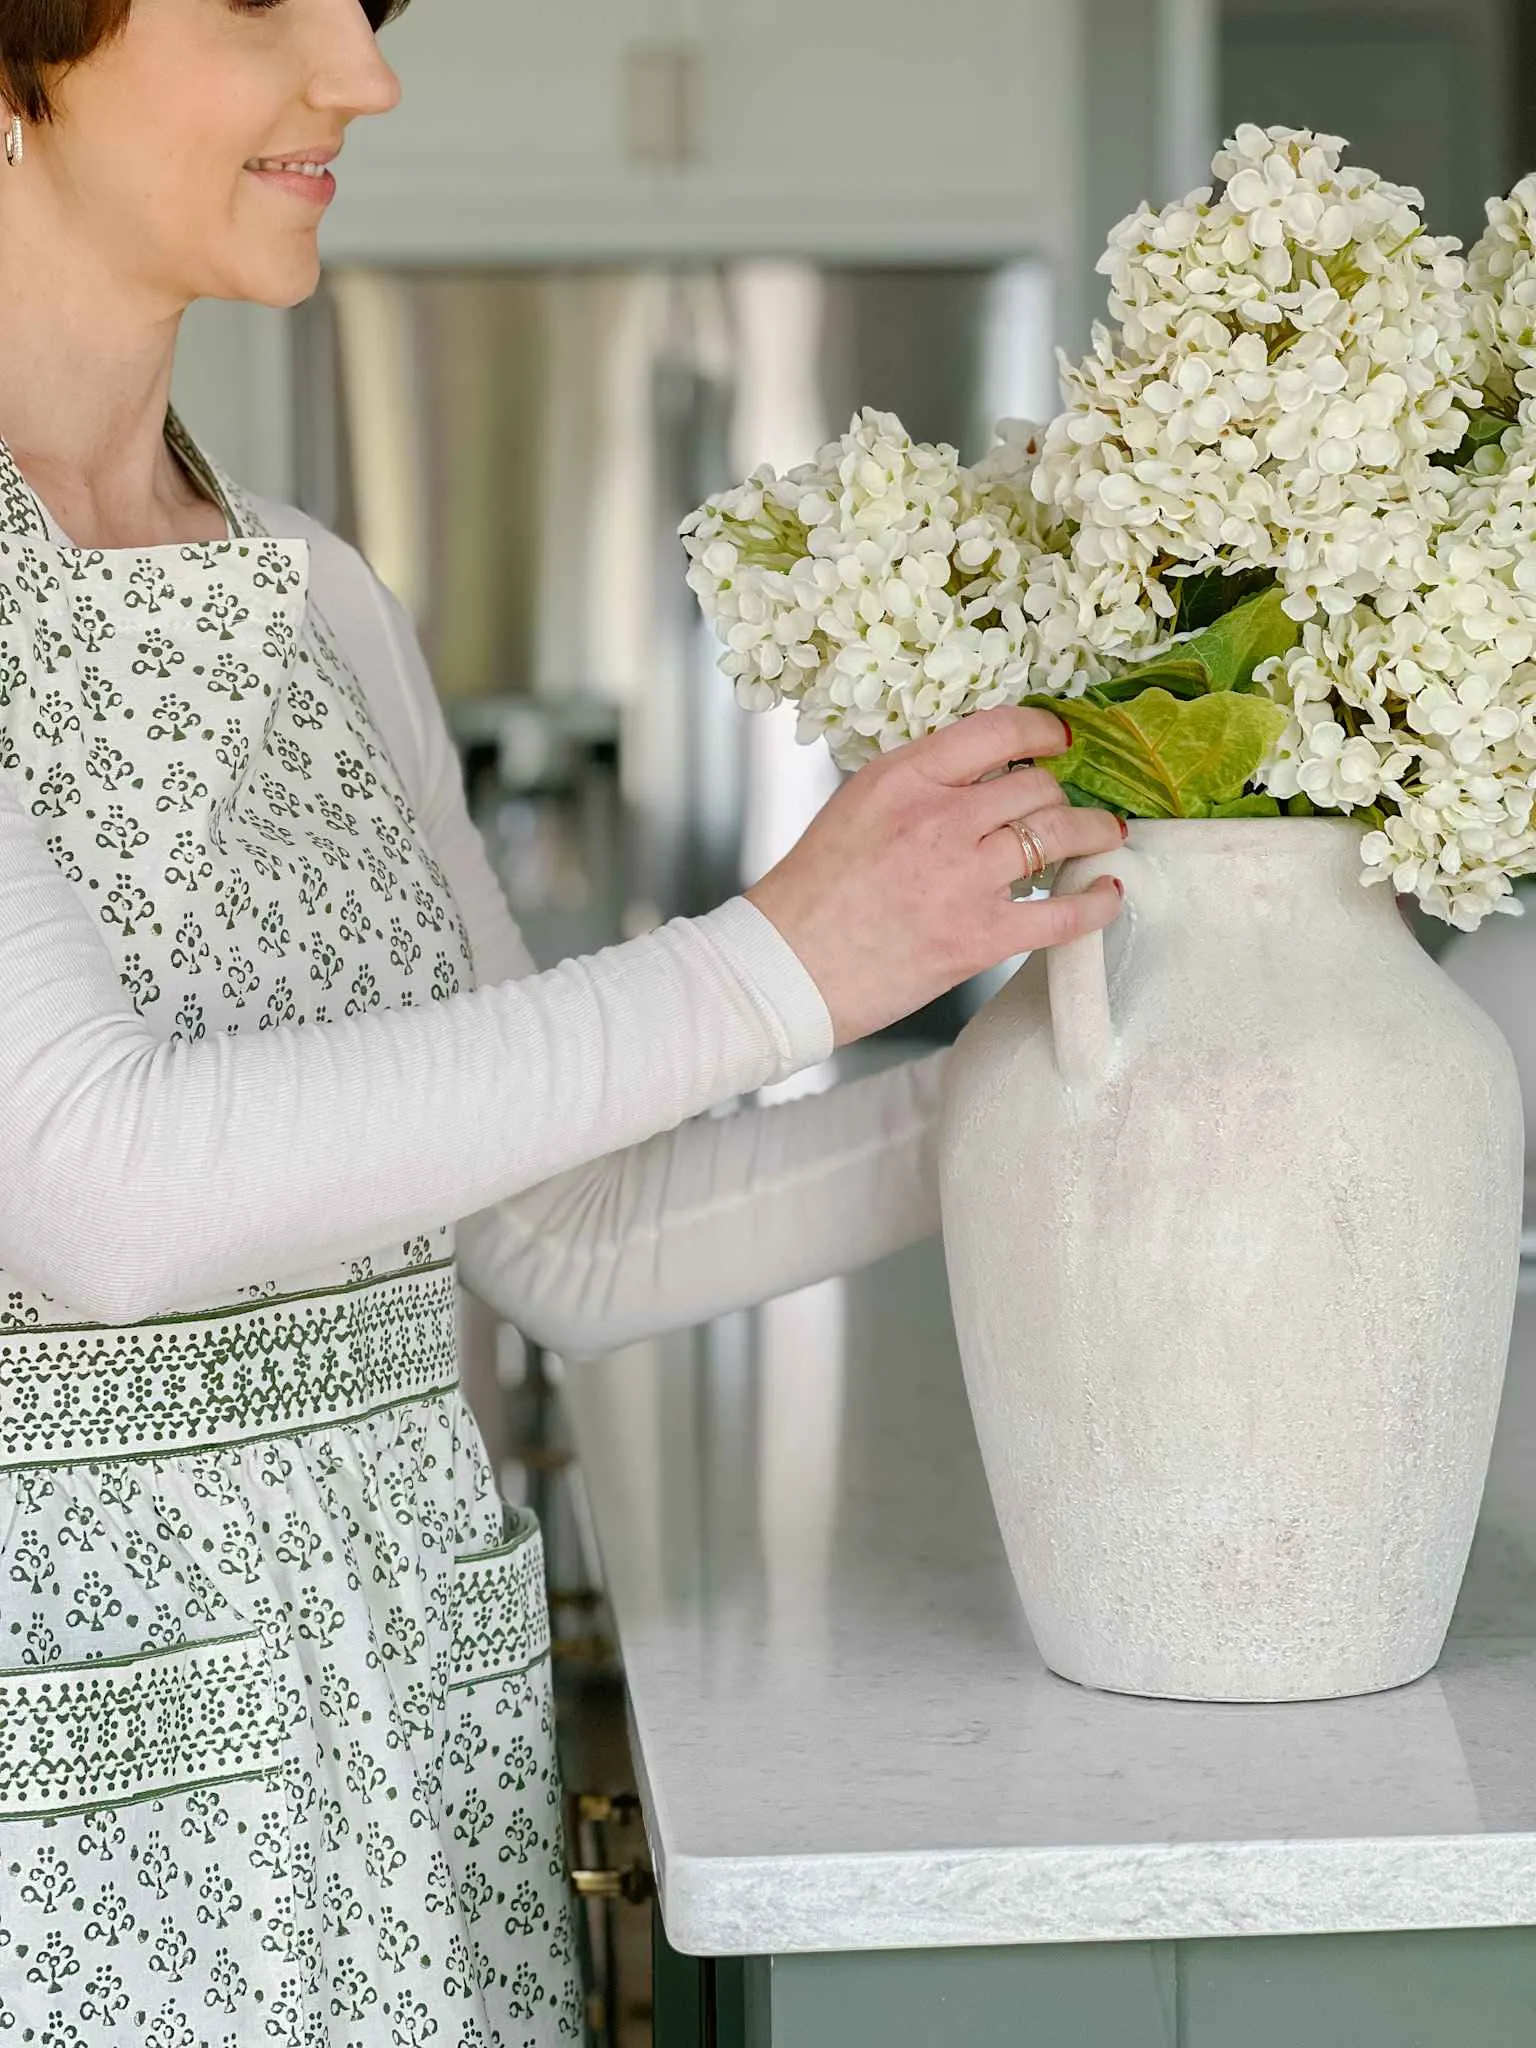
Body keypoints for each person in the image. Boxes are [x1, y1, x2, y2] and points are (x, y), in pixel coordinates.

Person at [0, 2, 1124, 2041]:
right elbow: (94, 1187)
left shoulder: (318, 595)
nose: (363, 75)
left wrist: (1050, 1073)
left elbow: (565, 1240)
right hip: (69, 1828)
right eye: (269, 2)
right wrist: (781, 958)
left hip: (403, 1772)